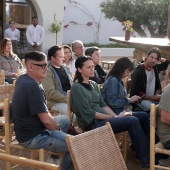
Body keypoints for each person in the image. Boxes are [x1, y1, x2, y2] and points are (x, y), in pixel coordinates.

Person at [70, 56, 150, 169]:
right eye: (88, 67)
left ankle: (151, 150)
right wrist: (113, 118)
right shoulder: (76, 87)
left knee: (143, 116)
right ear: (79, 69)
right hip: (93, 123)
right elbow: (89, 113)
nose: (92, 69)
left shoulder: (93, 84)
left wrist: (115, 116)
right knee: (132, 120)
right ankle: (146, 161)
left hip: (104, 118)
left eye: (92, 66)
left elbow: (103, 104)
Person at [12, 51, 73, 169]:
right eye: (42, 65)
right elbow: (46, 121)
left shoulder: (23, 78)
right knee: (76, 146)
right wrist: (58, 131)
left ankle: (54, 157)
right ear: (30, 67)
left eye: (47, 64)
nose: (46, 68)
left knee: (65, 119)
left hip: (28, 130)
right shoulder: (33, 87)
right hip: (32, 137)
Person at [41, 45, 72, 115]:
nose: (63, 59)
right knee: (74, 115)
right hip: (55, 102)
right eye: (61, 57)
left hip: (69, 98)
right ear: (52, 58)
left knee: (86, 110)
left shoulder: (66, 68)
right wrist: (68, 99)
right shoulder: (47, 71)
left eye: (63, 57)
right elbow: (50, 93)